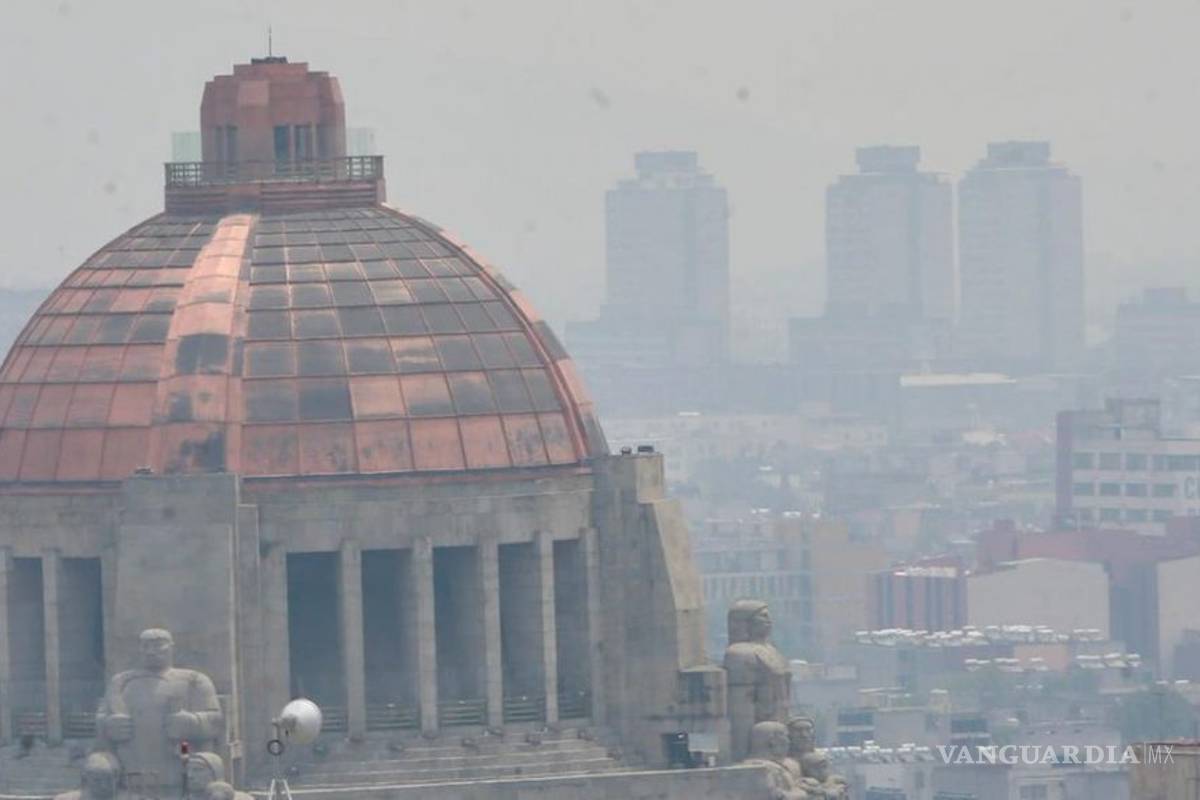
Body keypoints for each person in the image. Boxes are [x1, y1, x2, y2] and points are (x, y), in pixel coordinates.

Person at [95, 629, 224, 795]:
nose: (151, 651)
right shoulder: (121, 682)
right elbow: (102, 718)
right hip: (132, 770)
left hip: (180, 758)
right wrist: (109, 725)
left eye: (157, 645)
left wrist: (190, 722)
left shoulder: (193, 680)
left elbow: (216, 721)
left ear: (170, 648)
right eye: (146, 646)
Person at [724, 600, 792, 760]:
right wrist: (744, 751)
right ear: (746, 622)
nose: (768, 621)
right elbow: (741, 704)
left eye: (769, 616)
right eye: (762, 616)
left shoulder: (772, 650)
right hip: (761, 726)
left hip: (780, 719)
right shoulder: (739, 653)